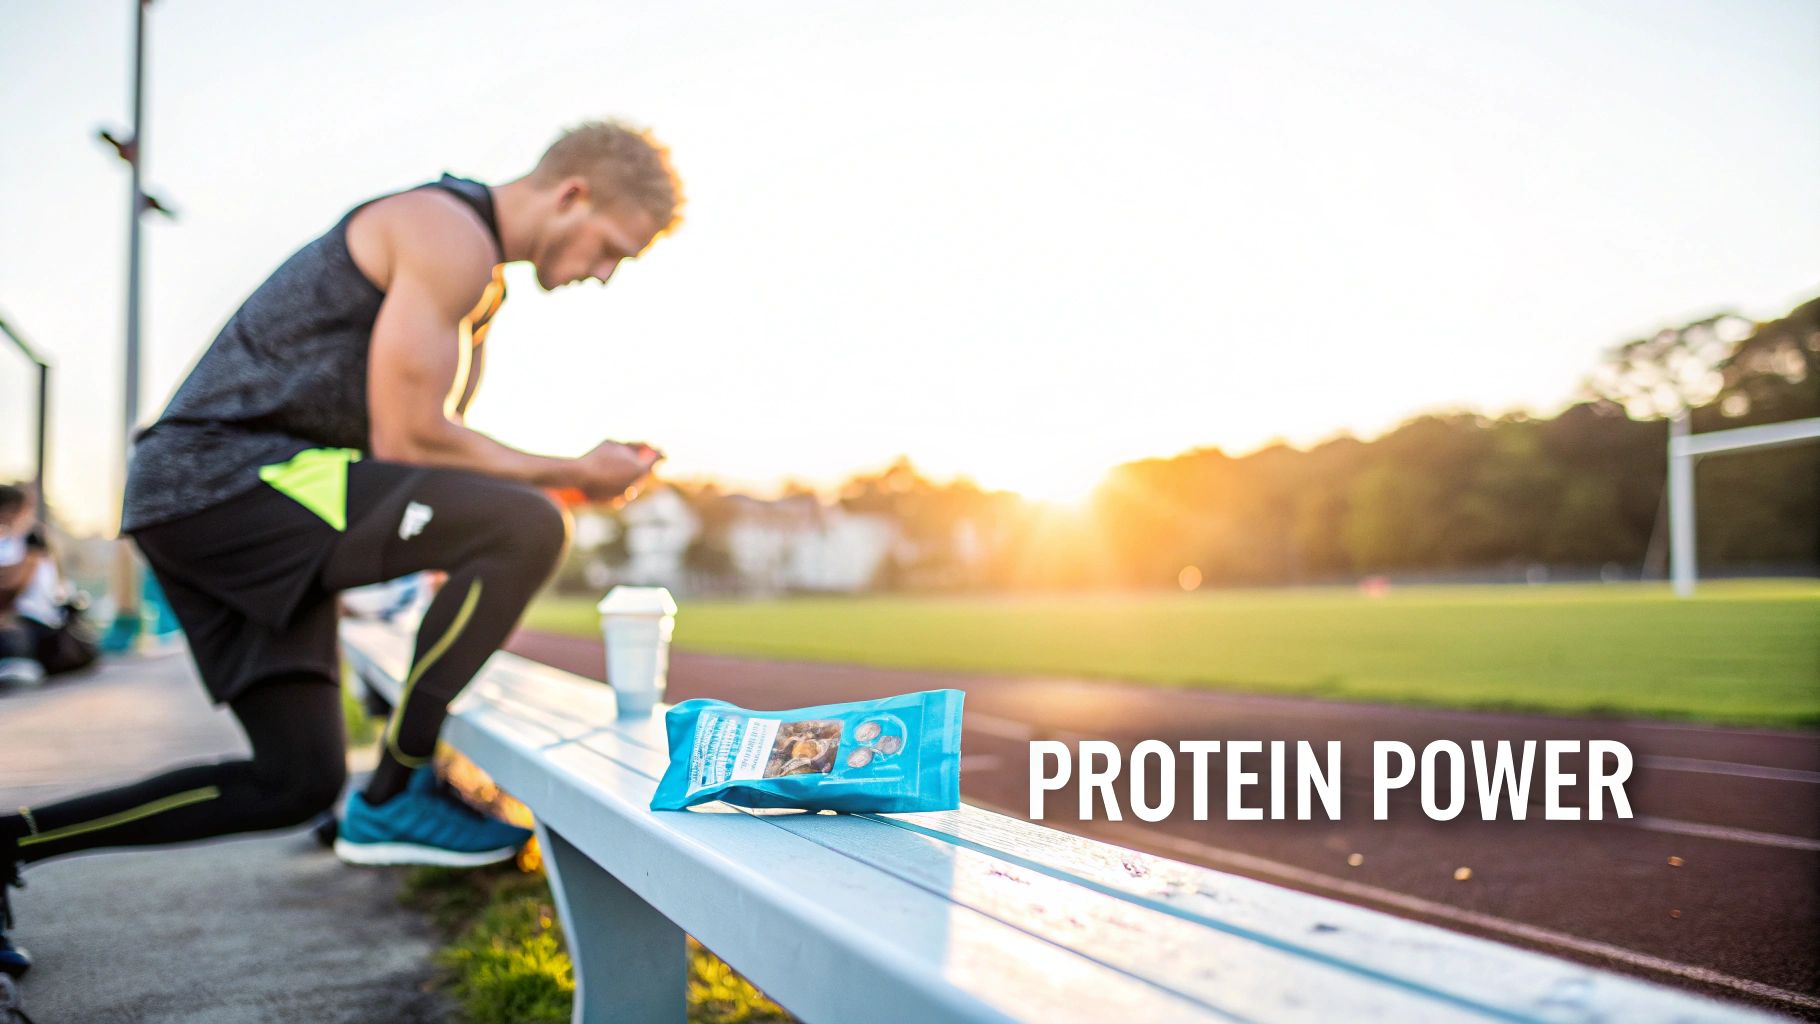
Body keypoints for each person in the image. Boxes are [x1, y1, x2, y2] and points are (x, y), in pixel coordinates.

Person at [0, 120, 682, 978]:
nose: (602, 273)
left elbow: (431, 450)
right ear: (572, 194)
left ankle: (8, 846)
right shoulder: (448, 234)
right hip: (224, 482)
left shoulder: (482, 286)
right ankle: (399, 788)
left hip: (234, 499)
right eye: (610, 249)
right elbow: (408, 441)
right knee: (531, 523)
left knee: (297, 779)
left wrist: (500, 501)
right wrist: (573, 472)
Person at [0, 484, 92, 687]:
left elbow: (15, 584)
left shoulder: (32, 538)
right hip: (17, 620)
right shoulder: (9, 541)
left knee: (12, 628)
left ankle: (21, 661)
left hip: (34, 622)